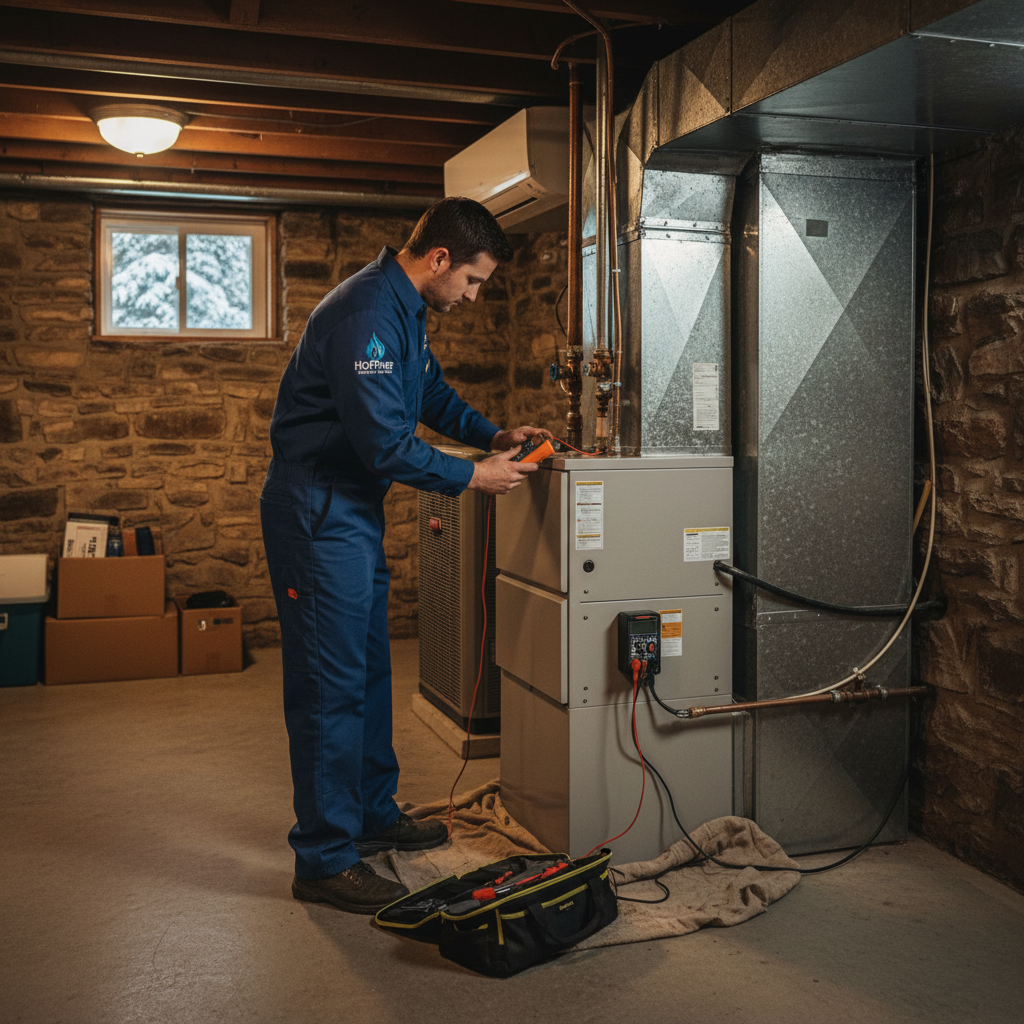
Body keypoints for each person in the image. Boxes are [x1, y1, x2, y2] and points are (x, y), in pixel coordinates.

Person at [260, 197, 551, 914]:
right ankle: (324, 857)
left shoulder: (406, 308)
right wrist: (474, 478)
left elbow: (425, 393)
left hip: (349, 511)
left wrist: (491, 436)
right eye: (475, 282)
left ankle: (369, 815)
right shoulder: (364, 312)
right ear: (441, 259)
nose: (474, 297)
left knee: (367, 668)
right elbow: (383, 444)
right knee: (330, 687)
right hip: (317, 511)